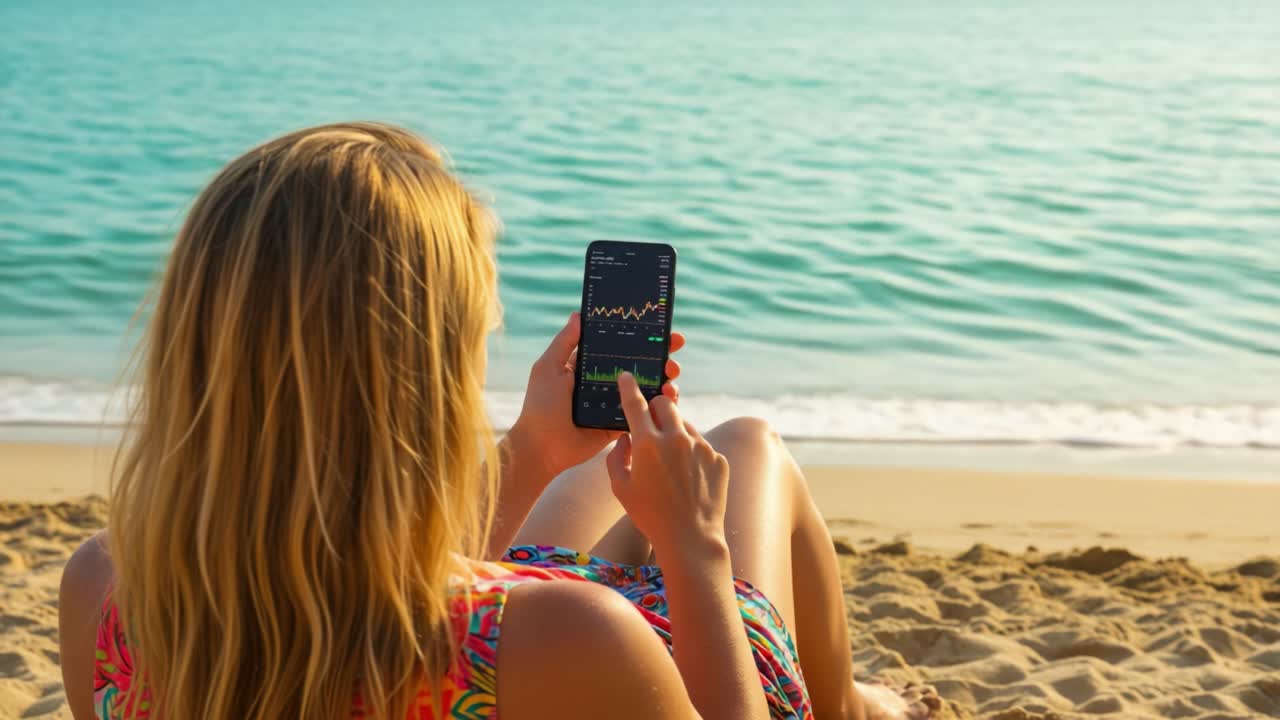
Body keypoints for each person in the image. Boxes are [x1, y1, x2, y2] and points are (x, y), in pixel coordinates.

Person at [57, 122, 939, 720]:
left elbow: (376, 608)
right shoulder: (564, 638)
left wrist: (534, 452)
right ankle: (848, 707)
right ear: (424, 377)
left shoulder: (107, 587)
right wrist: (695, 550)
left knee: (592, 480)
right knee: (748, 451)